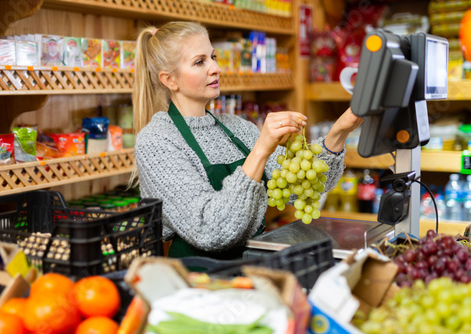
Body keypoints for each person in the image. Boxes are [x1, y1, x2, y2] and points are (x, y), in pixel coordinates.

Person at [132, 21, 362, 259]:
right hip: (200, 280)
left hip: (253, 265)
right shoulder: (156, 141)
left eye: (213, 56)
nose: (216, 68)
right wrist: (261, 150)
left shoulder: (238, 128)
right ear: (169, 80)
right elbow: (210, 230)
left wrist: (339, 132)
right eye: (200, 62)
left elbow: (305, 189)